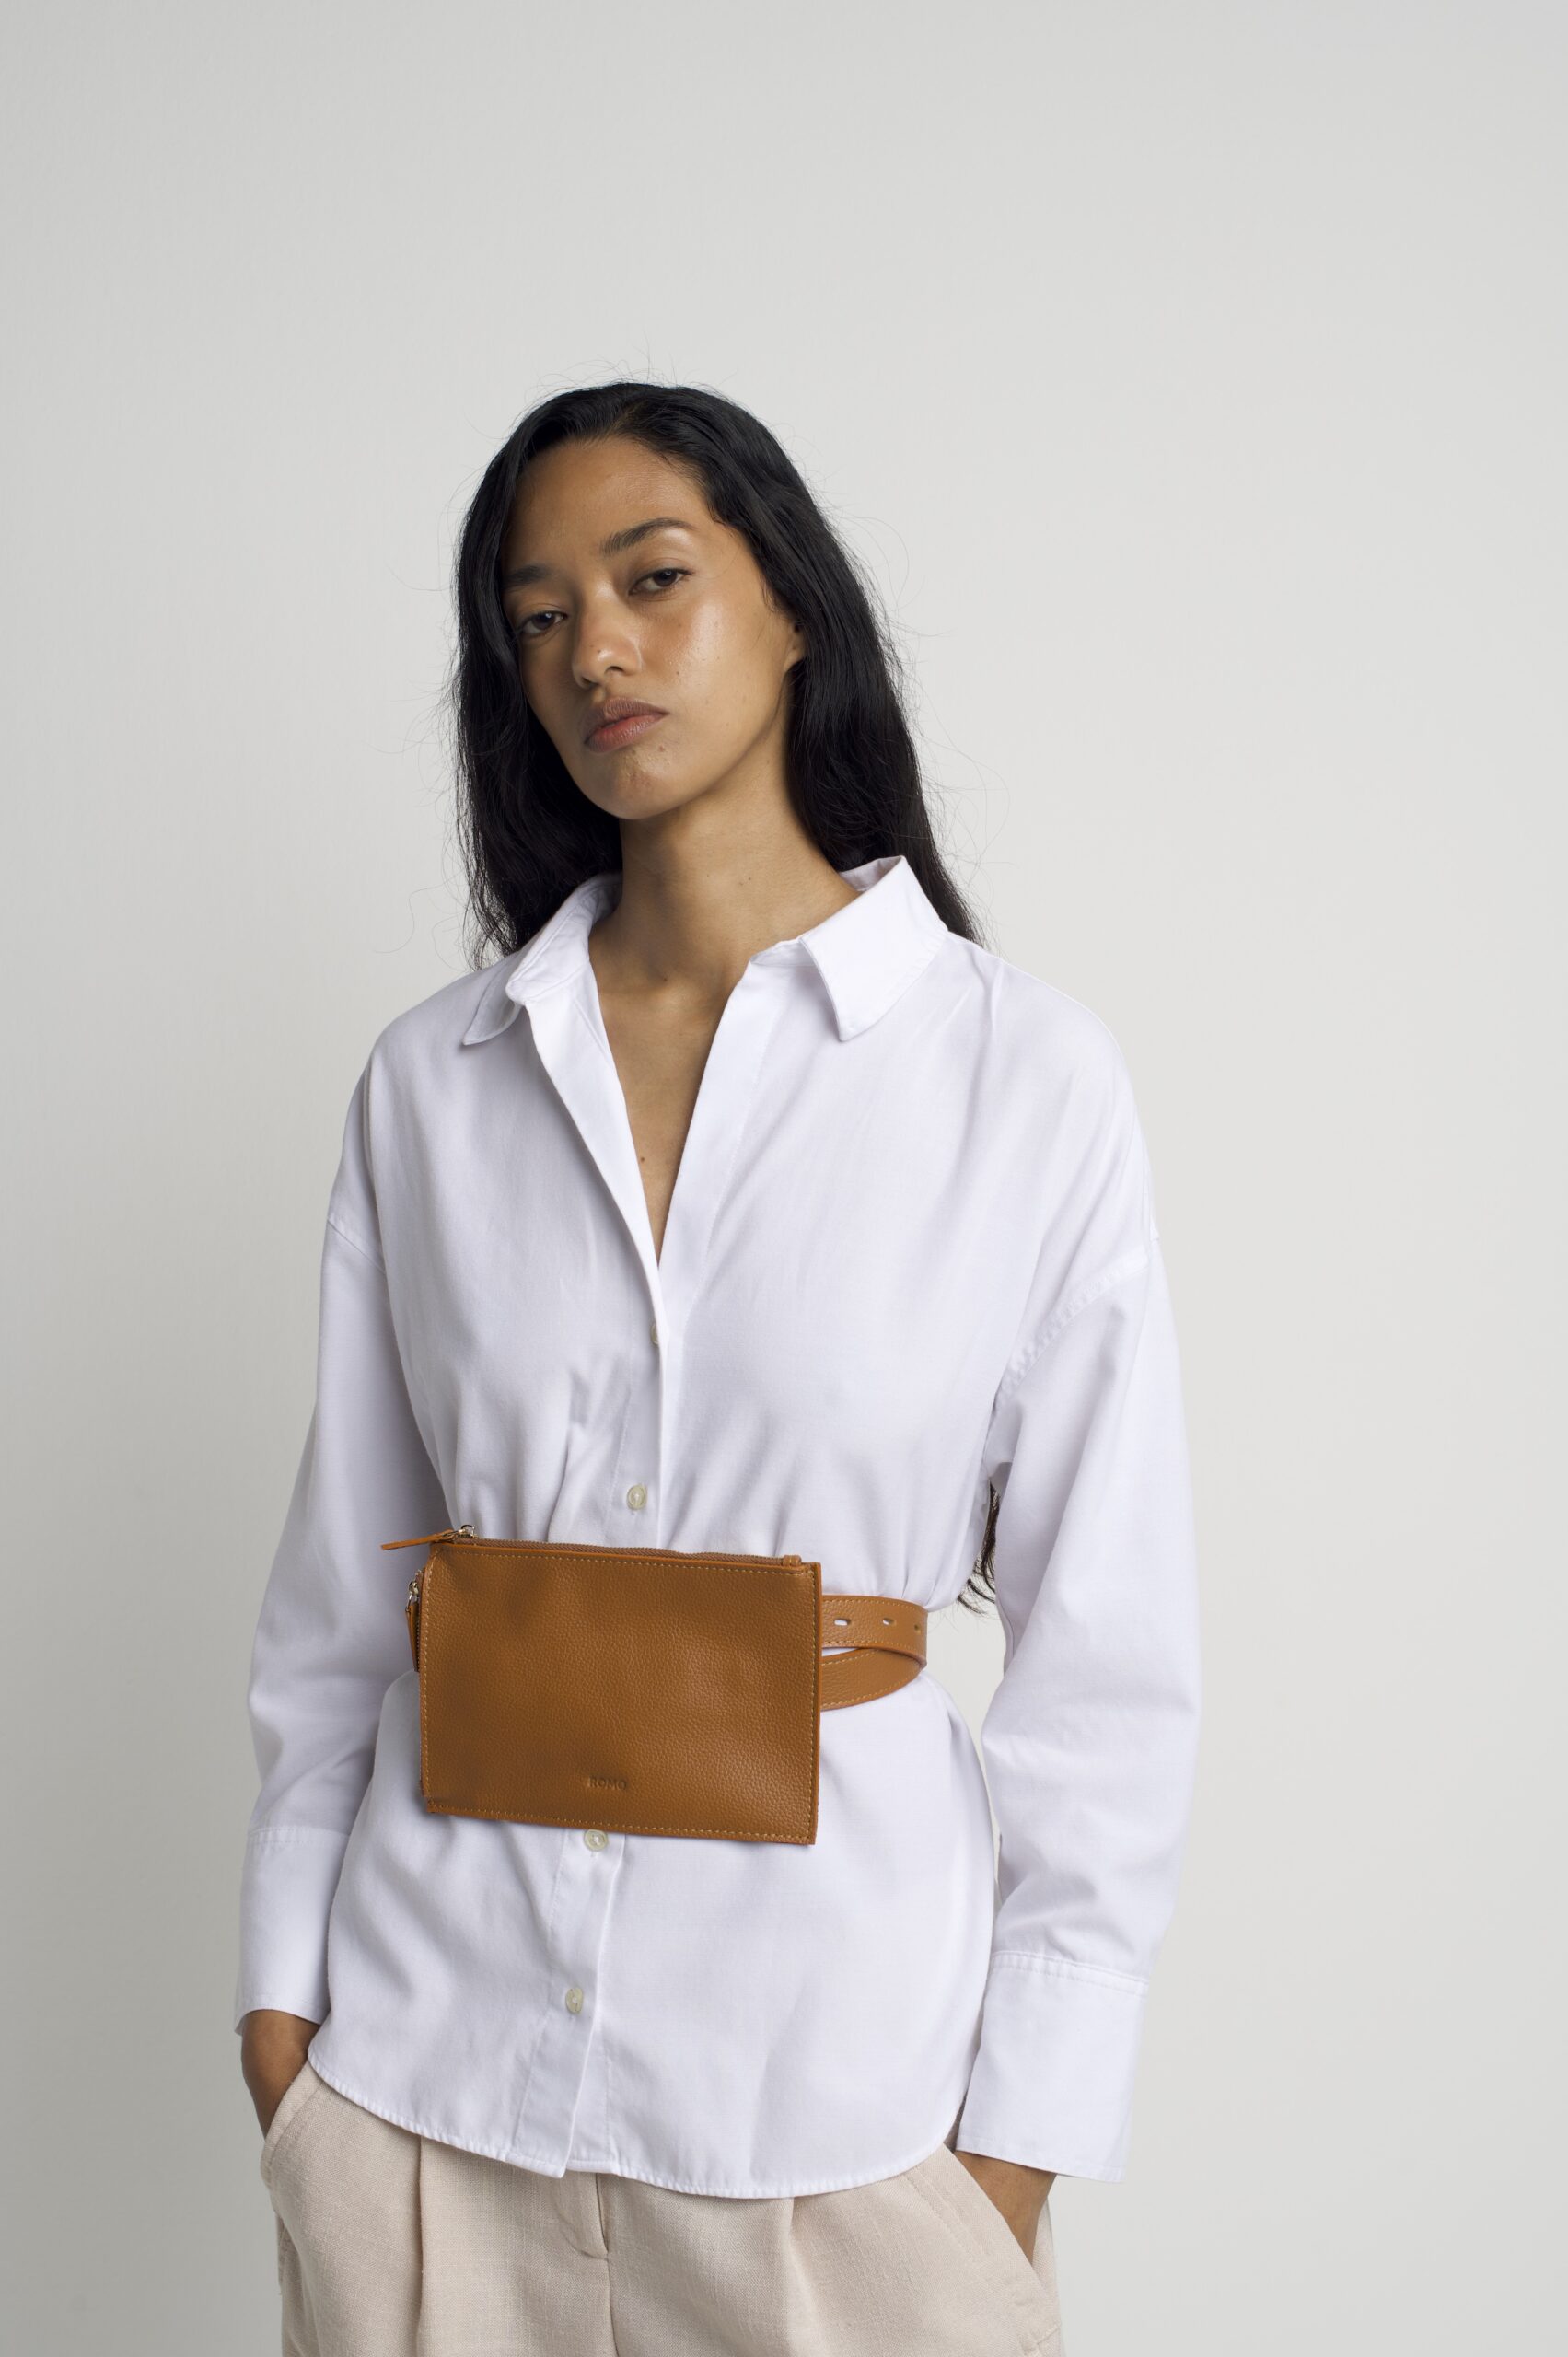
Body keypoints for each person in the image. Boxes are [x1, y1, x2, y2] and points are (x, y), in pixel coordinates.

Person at [235, 382, 1202, 2356]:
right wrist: (282, 2026)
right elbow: (341, 1604)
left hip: (843, 2122)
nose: (593, 649)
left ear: (794, 611)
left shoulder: (1021, 1079)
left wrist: (1013, 2149)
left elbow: (1110, 1660)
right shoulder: (435, 1085)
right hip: (427, 2096)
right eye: (536, 617)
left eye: (652, 579)